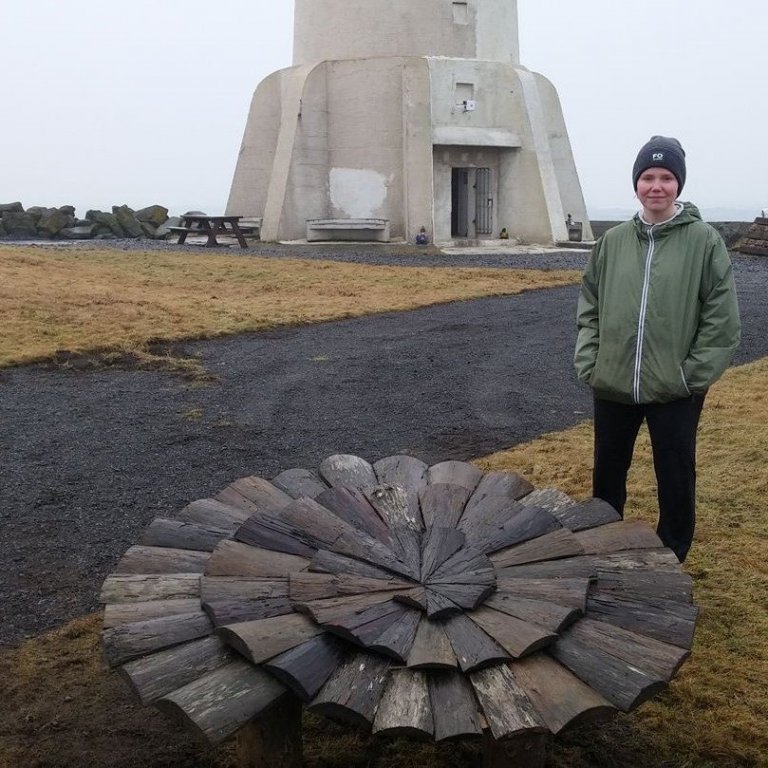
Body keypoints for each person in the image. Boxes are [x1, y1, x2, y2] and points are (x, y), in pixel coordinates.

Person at [574, 136, 741, 562]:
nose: (656, 186)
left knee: (675, 472)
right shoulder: (611, 242)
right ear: (636, 184)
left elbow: (722, 320)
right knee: (608, 471)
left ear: (678, 185)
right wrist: (591, 361)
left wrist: (691, 376)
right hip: (612, 381)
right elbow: (589, 305)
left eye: (666, 177)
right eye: (648, 176)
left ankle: (672, 555)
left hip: (675, 386)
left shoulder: (704, 241)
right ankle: (602, 546)